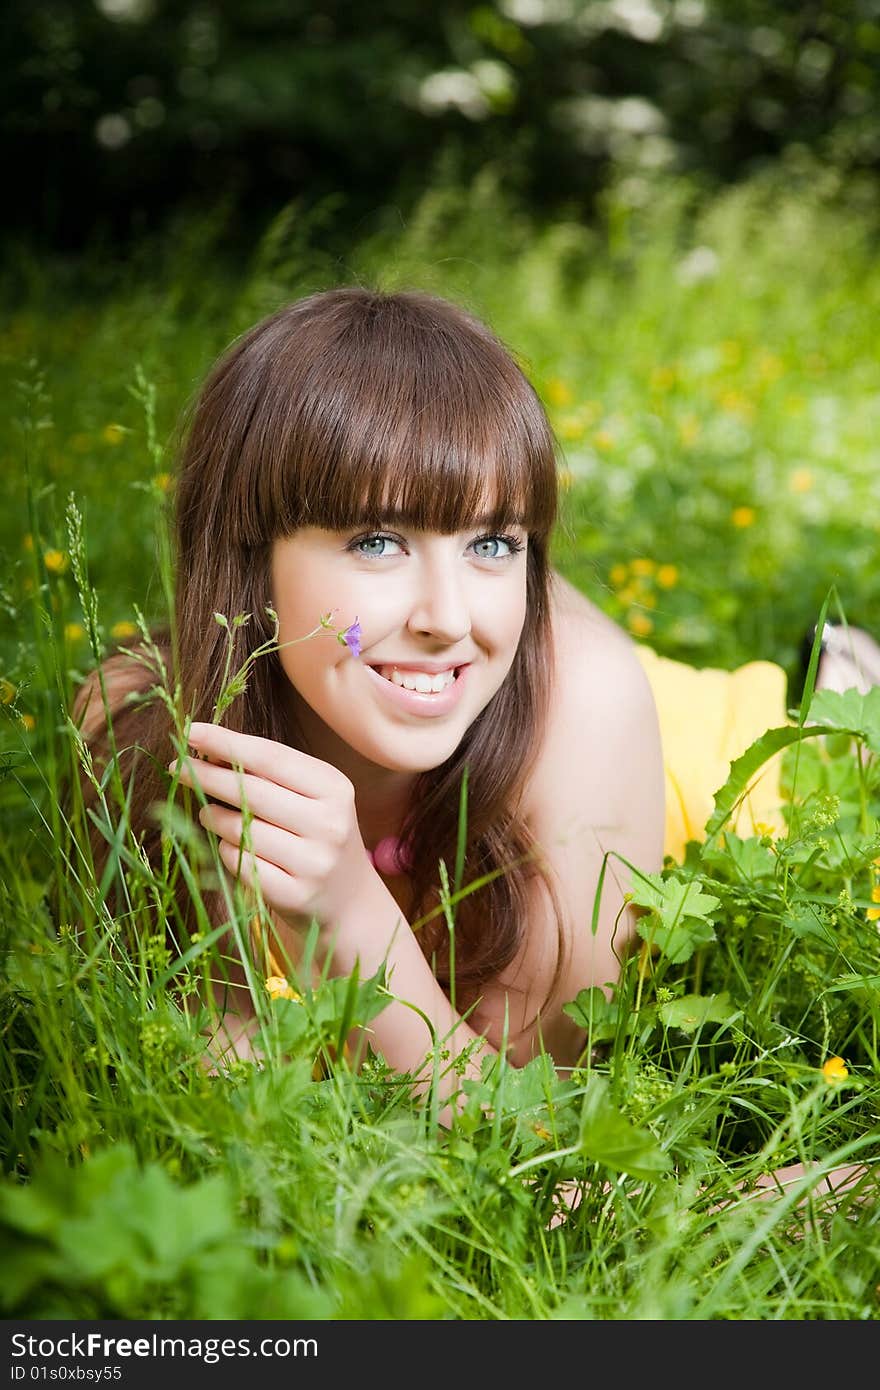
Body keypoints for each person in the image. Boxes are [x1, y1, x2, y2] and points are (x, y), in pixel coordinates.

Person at [73, 286, 872, 1204]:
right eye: (378, 540)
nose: (449, 619)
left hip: (726, 757)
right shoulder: (138, 724)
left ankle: (844, 684)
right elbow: (215, 1090)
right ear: (247, 552)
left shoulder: (588, 710)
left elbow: (534, 1139)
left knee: (849, 742)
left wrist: (353, 917)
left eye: (493, 543)